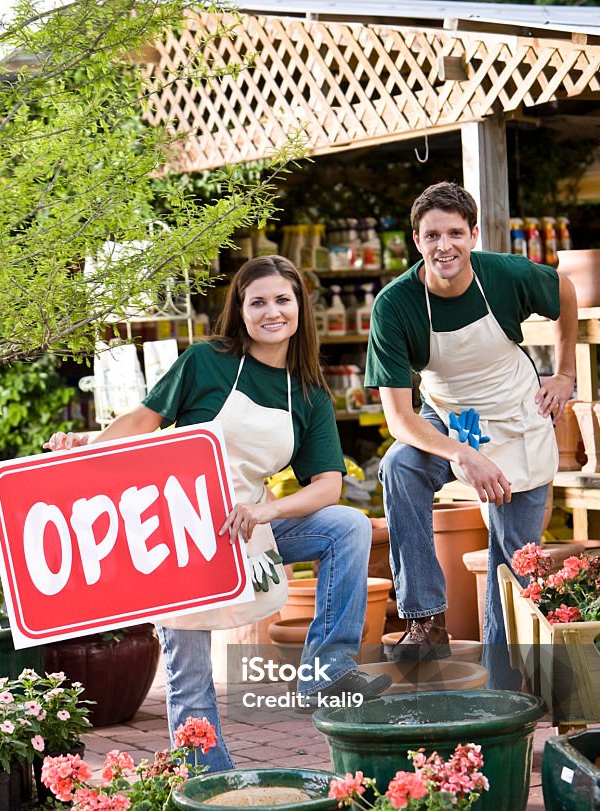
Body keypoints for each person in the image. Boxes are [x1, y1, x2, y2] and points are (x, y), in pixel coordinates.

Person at [46, 255, 390, 771]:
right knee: (189, 670)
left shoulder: (310, 394)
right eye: (258, 302)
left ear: (299, 308)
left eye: (282, 300)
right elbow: (144, 421)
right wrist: (85, 450)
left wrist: (265, 510)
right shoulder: (206, 361)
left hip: (245, 525)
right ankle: (211, 783)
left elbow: (326, 487)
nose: (271, 312)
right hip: (177, 528)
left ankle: (326, 666)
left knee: (347, 525)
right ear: (241, 310)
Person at [364, 181, 578, 686]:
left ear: (473, 234)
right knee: (400, 465)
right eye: (432, 235)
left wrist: (565, 373)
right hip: (448, 415)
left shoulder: (505, 276)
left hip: (517, 416)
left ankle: (500, 689)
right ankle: (425, 619)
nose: (445, 246)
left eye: (456, 233)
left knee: (513, 559)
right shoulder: (394, 307)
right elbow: (399, 419)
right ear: (416, 241)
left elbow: (565, 291)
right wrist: (463, 453)